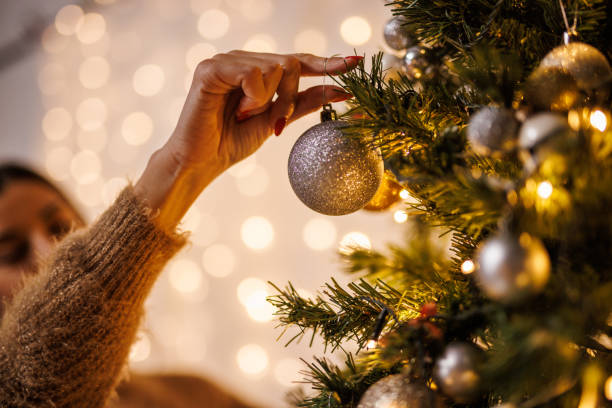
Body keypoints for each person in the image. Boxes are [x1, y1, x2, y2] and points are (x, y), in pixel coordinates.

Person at [0, 51, 360, 407]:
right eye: (9, 252)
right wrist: (176, 166)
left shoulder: (190, 394)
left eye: (61, 228)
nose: (49, 253)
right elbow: (30, 389)